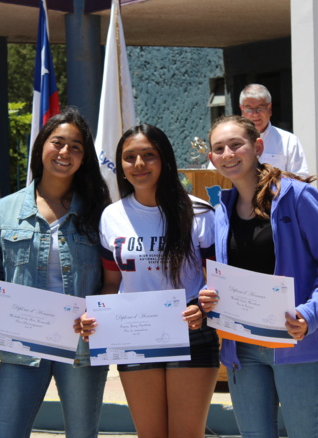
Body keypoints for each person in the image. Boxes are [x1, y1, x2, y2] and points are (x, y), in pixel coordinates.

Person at [199, 115, 318, 438]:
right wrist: (209, 294)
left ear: (257, 146)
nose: (228, 153)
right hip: (242, 347)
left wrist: (310, 314)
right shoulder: (221, 209)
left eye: (235, 144)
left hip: (296, 342)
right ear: (211, 158)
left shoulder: (297, 196)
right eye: (219, 148)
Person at [0, 107, 111, 438]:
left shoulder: (98, 212)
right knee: (7, 433)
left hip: (81, 345)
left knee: (82, 435)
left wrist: (100, 309)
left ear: (84, 157)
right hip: (22, 342)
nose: (65, 153)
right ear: (41, 146)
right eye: (58, 142)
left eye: (76, 147)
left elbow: (112, 280)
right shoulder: (6, 209)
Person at [79, 124, 220, 438]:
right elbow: (111, 283)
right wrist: (96, 315)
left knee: (186, 434)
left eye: (148, 155)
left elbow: (218, 283)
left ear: (164, 160)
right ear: (122, 166)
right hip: (135, 335)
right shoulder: (110, 217)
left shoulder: (199, 213)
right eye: (129, 157)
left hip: (192, 333)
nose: (139, 164)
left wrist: (203, 308)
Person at [239, 83, 309, 176]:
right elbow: (215, 176)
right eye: (249, 109)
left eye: (260, 108)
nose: (255, 114)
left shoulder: (288, 141)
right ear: (242, 110)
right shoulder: (230, 141)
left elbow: (301, 177)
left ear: (269, 108)